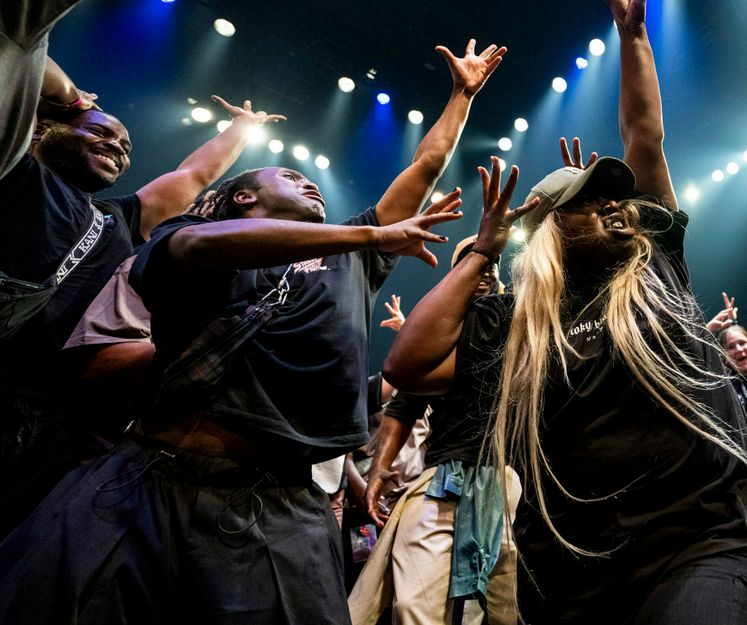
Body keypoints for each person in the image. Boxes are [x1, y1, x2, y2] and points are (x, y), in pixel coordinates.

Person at [0, 38, 505, 623]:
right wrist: (365, 235)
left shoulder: (352, 258)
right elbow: (194, 243)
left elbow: (423, 166)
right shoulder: (191, 237)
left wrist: (461, 98)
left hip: (279, 500)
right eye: (291, 177)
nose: (312, 184)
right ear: (242, 196)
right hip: (148, 478)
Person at [383, 2, 747, 622]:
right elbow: (406, 365)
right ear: (552, 230)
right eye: (591, 201)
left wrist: (632, 34)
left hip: (704, 542)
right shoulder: (515, 321)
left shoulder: (654, 268)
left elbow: (644, 135)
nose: (617, 206)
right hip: (574, 567)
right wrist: (483, 250)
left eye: (617, 196)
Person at [1, 0, 289, 535]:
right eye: (101, 132)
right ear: (44, 130)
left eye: (126, 147)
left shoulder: (115, 220)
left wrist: (242, 128)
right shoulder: (14, 169)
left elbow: (195, 173)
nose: (117, 146)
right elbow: (19, 48)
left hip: (47, 420)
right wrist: (72, 99)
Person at [348, 232, 520, 625]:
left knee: (501, 608)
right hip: (445, 476)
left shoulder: (518, 316)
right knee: (416, 607)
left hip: (508, 478)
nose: (485, 268)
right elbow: (406, 400)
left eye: (491, 261)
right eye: (473, 260)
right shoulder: (442, 337)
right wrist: (378, 468)